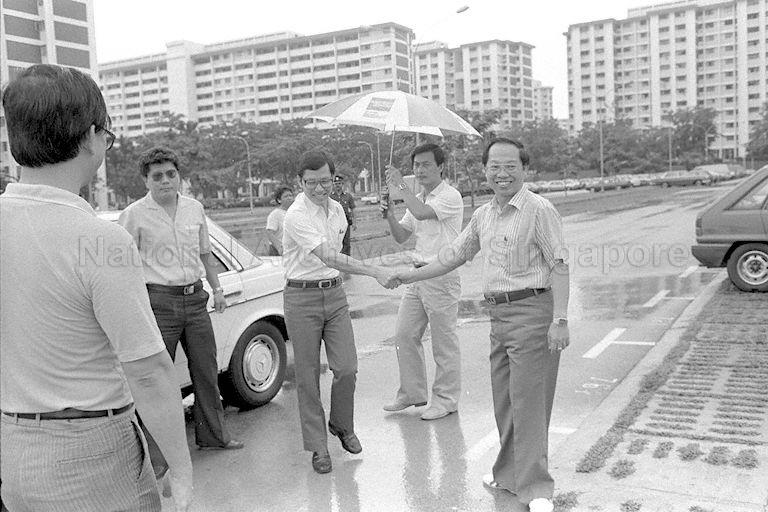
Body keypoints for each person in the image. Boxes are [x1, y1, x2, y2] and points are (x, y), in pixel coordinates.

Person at [0, 64, 192, 511]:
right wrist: (180, 469)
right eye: (107, 133)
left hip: (15, 449)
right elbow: (146, 370)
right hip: (93, 454)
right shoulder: (100, 239)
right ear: (90, 136)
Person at [389, 138, 570, 512]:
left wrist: (560, 319)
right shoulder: (484, 215)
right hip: (498, 317)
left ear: (524, 169)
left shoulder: (539, 210)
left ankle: (536, 487)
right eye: (495, 167)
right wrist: (408, 276)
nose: (502, 174)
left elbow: (560, 264)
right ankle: (507, 475)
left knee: (529, 403)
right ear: (484, 170)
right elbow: (453, 255)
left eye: (510, 166)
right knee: (504, 402)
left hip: (533, 312)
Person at [118, 147, 244, 475]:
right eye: (157, 176)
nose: (165, 181)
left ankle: (214, 436)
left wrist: (217, 290)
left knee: (206, 370)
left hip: (196, 299)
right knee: (159, 381)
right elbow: (124, 265)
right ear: (145, 180)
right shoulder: (134, 215)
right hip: (159, 303)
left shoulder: (194, 209)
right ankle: (158, 458)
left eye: (171, 174)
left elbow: (205, 254)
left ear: (179, 176)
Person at [282, 150, 394, 474]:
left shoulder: (339, 212)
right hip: (301, 298)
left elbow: (339, 258)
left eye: (325, 181)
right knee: (307, 376)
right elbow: (329, 256)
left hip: (334, 294)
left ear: (334, 179)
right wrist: (375, 271)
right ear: (300, 182)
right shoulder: (295, 215)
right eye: (311, 183)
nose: (320, 188)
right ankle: (318, 447)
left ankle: (342, 425)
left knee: (346, 367)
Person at [380, 143, 464, 421]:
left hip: (441, 275)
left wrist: (399, 186)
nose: (420, 170)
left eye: (426, 164)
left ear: (441, 166)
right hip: (418, 276)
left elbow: (422, 213)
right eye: (416, 165)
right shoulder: (418, 196)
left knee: (444, 343)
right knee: (404, 334)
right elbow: (403, 235)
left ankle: (446, 400)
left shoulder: (449, 196)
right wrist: (389, 214)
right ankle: (412, 392)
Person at [328, 174, 356, 256]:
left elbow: (353, 209)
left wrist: (354, 223)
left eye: (339, 183)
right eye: (336, 184)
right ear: (333, 185)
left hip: (346, 222)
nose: (337, 186)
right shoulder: (330, 196)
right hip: (334, 223)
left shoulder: (348, 196)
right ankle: (337, 260)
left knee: (346, 242)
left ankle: (347, 260)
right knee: (335, 242)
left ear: (342, 184)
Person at [265, 186, 294, 255]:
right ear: (279, 200)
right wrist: (279, 248)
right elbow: (269, 233)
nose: (289, 198)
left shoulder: (295, 212)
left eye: (291, 195)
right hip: (278, 251)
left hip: (292, 250)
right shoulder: (275, 214)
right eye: (286, 196)